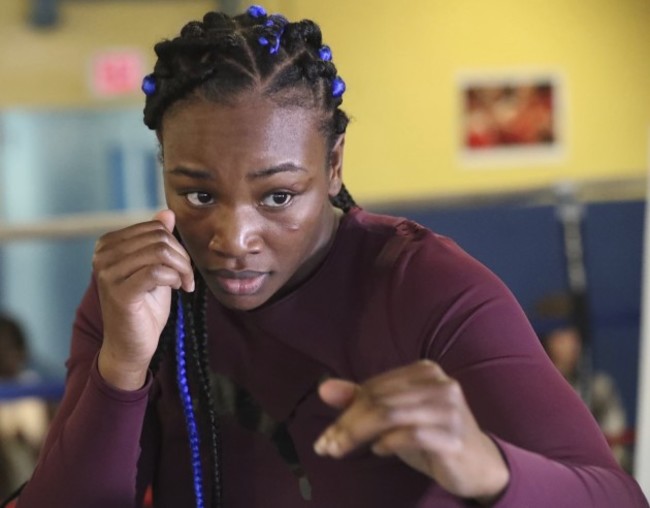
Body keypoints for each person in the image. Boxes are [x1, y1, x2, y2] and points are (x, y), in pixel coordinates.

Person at [6, 5, 647, 507]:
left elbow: (617, 497)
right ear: (164, 170)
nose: (232, 238)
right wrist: (121, 366)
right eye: (197, 192)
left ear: (333, 165)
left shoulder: (427, 287)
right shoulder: (140, 293)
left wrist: (485, 466)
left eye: (279, 195)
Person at [542, 325, 631, 470]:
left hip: (597, 474)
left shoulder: (599, 388)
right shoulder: (537, 390)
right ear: (547, 340)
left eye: (575, 337)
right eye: (563, 337)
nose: (573, 344)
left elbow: (616, 439)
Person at [0, 315, 49, 500]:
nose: (3, 355)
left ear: (21, 352)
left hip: (35, 476)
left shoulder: (38, 388)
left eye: (7, 348)